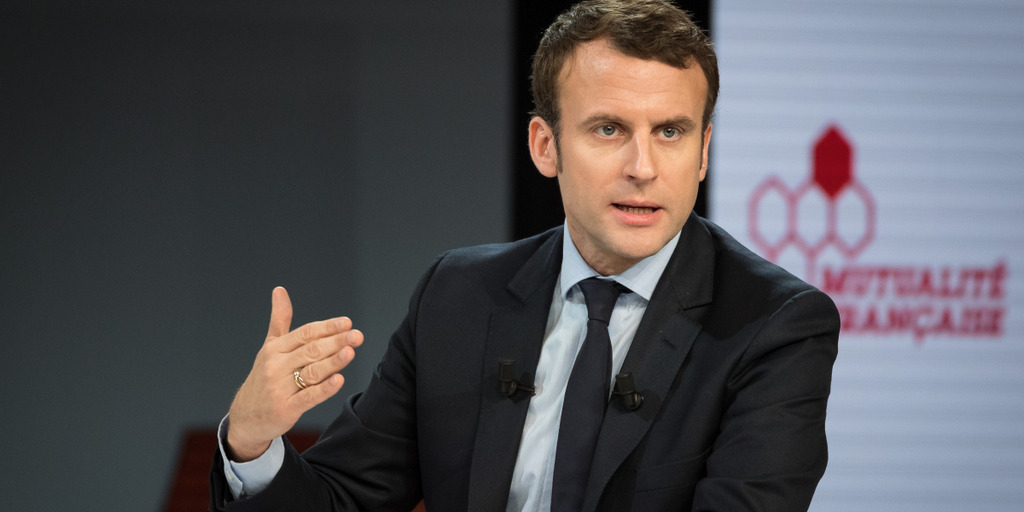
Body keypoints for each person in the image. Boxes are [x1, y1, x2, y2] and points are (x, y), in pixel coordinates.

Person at [210, 1, 840, 510]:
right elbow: (343, 499)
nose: (643, 168)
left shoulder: (774, 325)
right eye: (609, 129)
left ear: (703, 152)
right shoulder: (458, 295)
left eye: (670, 132)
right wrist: (252, 439)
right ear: (546, 145)